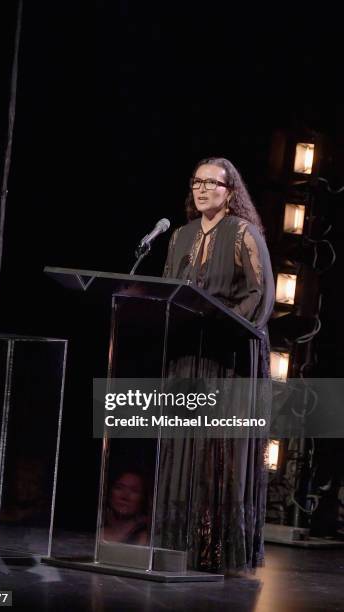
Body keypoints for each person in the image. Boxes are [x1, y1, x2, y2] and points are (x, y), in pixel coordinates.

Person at [161, 157, 275, 572]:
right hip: (187, 357)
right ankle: (177, 545)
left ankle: (216, 552)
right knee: (181, 451)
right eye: (197, 182)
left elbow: (260, 296)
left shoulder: (244, 233)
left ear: (231, 192)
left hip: (226, 358)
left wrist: (221, 322)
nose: (203, 188)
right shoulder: (180, 236)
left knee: (217, 451)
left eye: (213, 183)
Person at [102, 470, 150, 545]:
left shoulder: (146, 539)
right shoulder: (97, 532)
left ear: (143, 498)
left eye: (134, 491)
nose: (124, 496)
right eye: (119, 488)